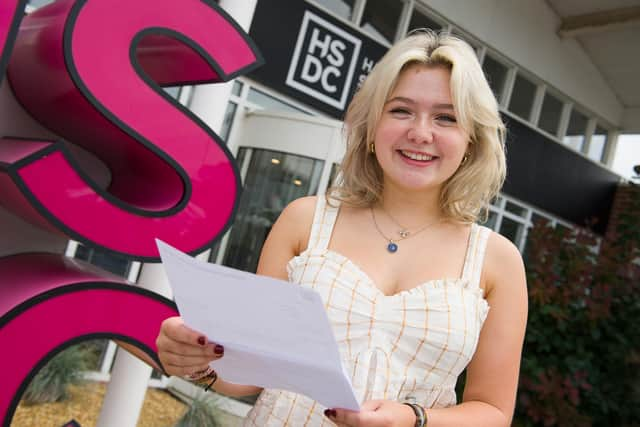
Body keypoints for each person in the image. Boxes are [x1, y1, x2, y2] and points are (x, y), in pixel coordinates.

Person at [156, 30, 528, 427]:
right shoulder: (305, 220)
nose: (421, 132)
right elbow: (255, 370)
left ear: (471, 139)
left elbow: (493, 412)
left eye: (446, 117)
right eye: (401, 110)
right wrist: (198, 363)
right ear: (371, 127)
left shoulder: (496, 260)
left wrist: (412, 419)